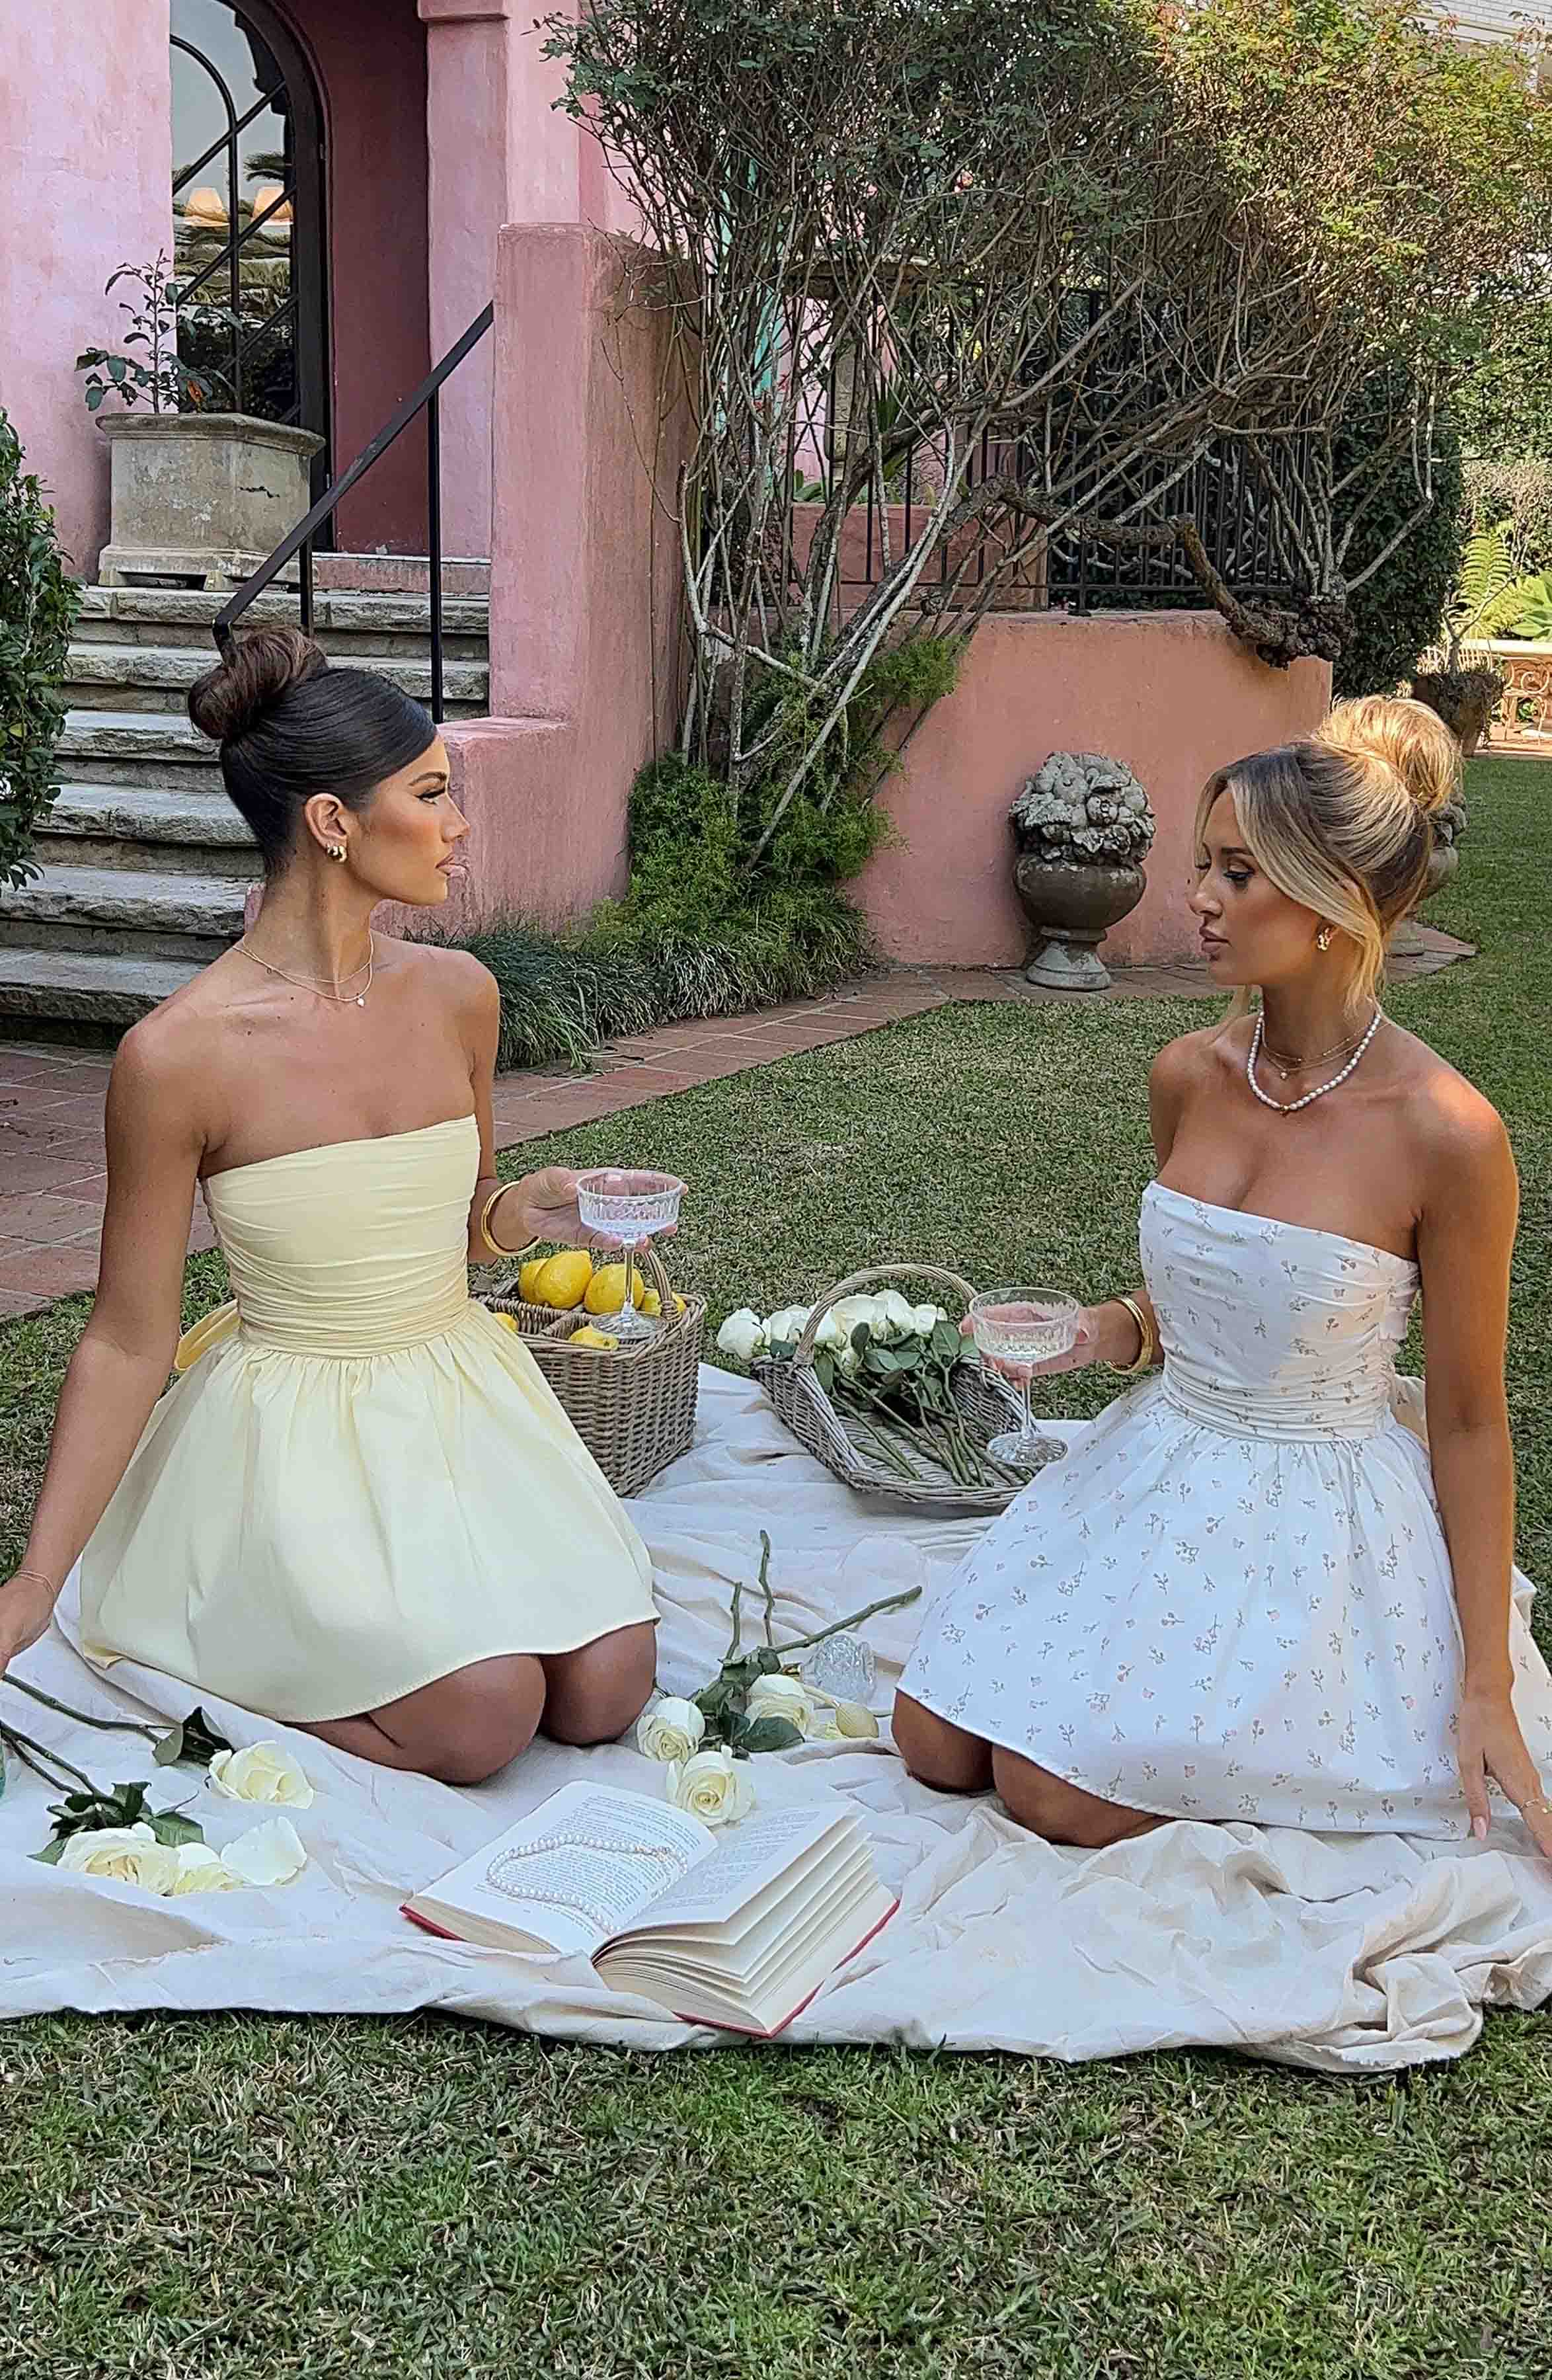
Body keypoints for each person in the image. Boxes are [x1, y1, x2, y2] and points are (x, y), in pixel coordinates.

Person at [895, 696, 1552, 1858]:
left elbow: (1466, 1420)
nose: (1198, 897)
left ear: (1334, 903)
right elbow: (1218, 1299)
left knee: (1053, 1793)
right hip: (1163, 1461)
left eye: (1238, 874)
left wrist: (1486, 1680)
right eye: (1203, 864)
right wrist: (1104, 1328)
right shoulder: (1188, 1075)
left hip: (1315, 1516)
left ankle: (1307, 1729)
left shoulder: (1447, 1134)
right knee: (933, 1741)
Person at [0, 627, 658, 1784]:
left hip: (458, 1395)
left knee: (607, 1688)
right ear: (333, 822)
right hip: (295, 1436)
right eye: (433, 795)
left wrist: (524, 1213)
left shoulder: (461, 994)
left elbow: (465, 1224)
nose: (459, 827)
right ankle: (214, 1663)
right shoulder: (177, 1057)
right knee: (484, 1716)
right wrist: (37, 1582)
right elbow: (126, 1339)